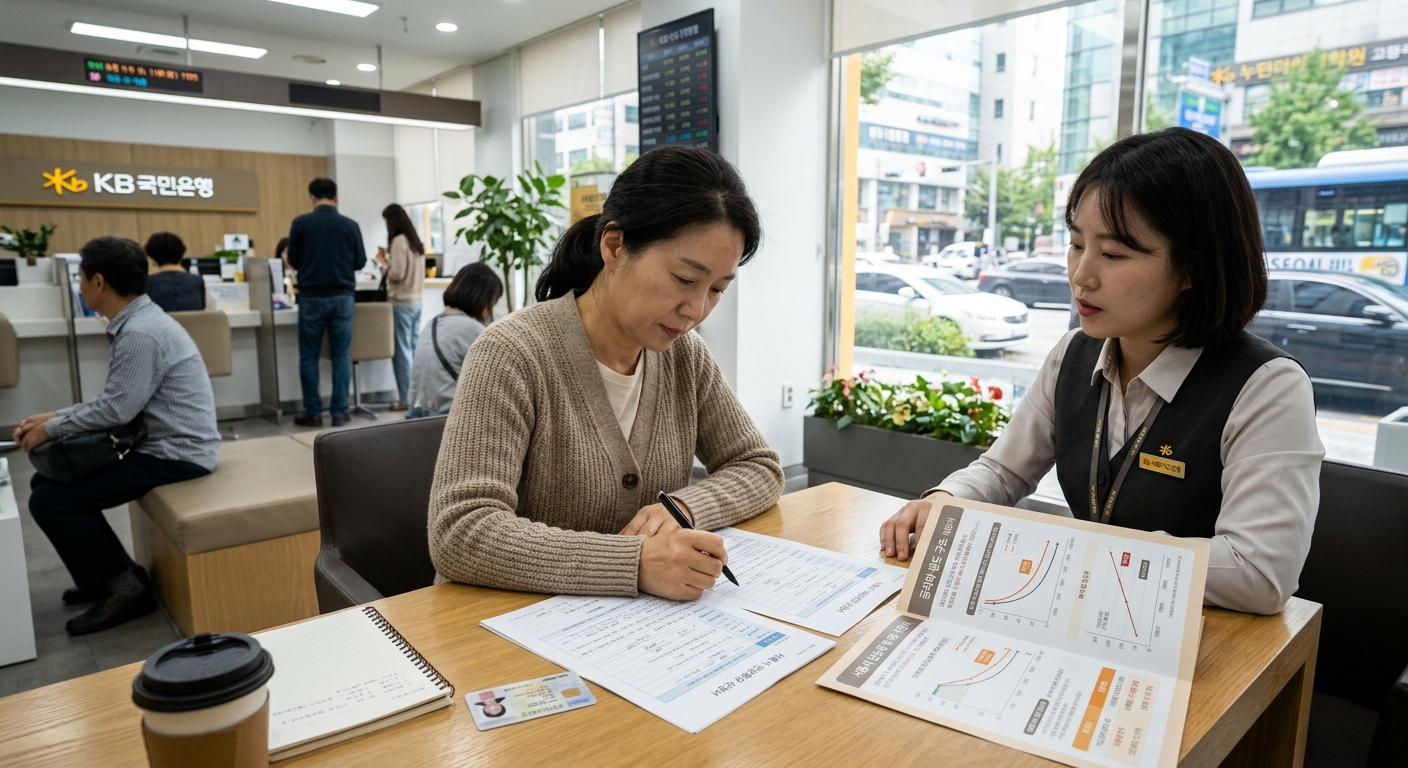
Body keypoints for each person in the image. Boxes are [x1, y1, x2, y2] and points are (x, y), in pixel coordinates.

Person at [879, 128, 1324, 616]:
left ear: (1195, 267)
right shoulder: (1073, 354)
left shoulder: (1266, 387)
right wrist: (945, 500)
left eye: (1112, 254)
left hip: (1199, 637)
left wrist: (1075, 553)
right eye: (1076, 244)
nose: (1081, 275)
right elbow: (1003, 471)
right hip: (1086, 617)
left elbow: (1258, 573)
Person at [428, 146, 783, 601]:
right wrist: (634, 563)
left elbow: (758, 466)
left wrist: (684, 506)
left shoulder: (685, 357)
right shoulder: (511, 354)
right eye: (683, 279)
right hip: (508, 621)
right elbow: (460, 531)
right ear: (614, 247)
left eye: (716, 289)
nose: (696, 310)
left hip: (633, 627)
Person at [13, 237, 219, 635]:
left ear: (99, 282)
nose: (79, 287)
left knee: (52, 500)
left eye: (80, 279)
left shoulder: (140, 332)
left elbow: (116, 410)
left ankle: (126, 588)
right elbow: (118, 402)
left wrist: (50, 428)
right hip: (160, 443)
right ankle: (105, 576)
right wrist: (54, 417)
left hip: (176, 453)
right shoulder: (141, 322)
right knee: (46, 483)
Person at [287, 177, 366, 428]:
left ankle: (313, 413)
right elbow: (361, 261)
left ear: (312, 197)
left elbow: (294, 260)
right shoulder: (350, 225)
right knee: (341, 355)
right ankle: (339, 413)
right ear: (336, 198)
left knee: (309, 356)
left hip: (311, 297)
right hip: (343, 296)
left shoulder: (300, 223)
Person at [407, 262, 502, 418]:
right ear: (483, 298)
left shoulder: (432, 323)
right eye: (493, 303)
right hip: (444, 418)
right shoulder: (472, 329)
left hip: (415, 415)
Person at [375, 203, 427, 411]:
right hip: (416, 302)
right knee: (412, 351)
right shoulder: (415, 242)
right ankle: (417, 399)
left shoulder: (398, 242)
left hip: (401, 303)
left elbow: (397, 274)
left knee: (402, 354)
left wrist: (384, 265)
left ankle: (406, 401)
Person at [143, 232, 208, 312]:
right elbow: (202, 309)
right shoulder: (197, 281)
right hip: (192, 321)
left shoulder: (148, 283)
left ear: (152, 257)